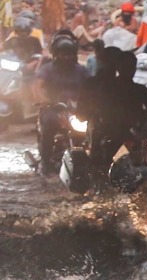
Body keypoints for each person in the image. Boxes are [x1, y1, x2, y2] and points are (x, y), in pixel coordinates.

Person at [79, 47, 147, 175]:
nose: (129, 70)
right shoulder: (105, 87)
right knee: (98, 160)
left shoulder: (138, 90)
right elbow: (93, 109)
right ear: (119, 67)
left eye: (131, 67)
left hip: (131, 132)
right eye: (126, 67)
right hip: (107, 131)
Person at [32, 32, 87, 177]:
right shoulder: (47, 69)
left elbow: (92, 86)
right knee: (49, 123)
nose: (67, 57)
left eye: (69, 54)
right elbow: (38, 87)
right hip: (53, 109)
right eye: (63, 54)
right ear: (57, 54)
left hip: (76, 109)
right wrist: (45, 100)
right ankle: (46, 161)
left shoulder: (81, 70)